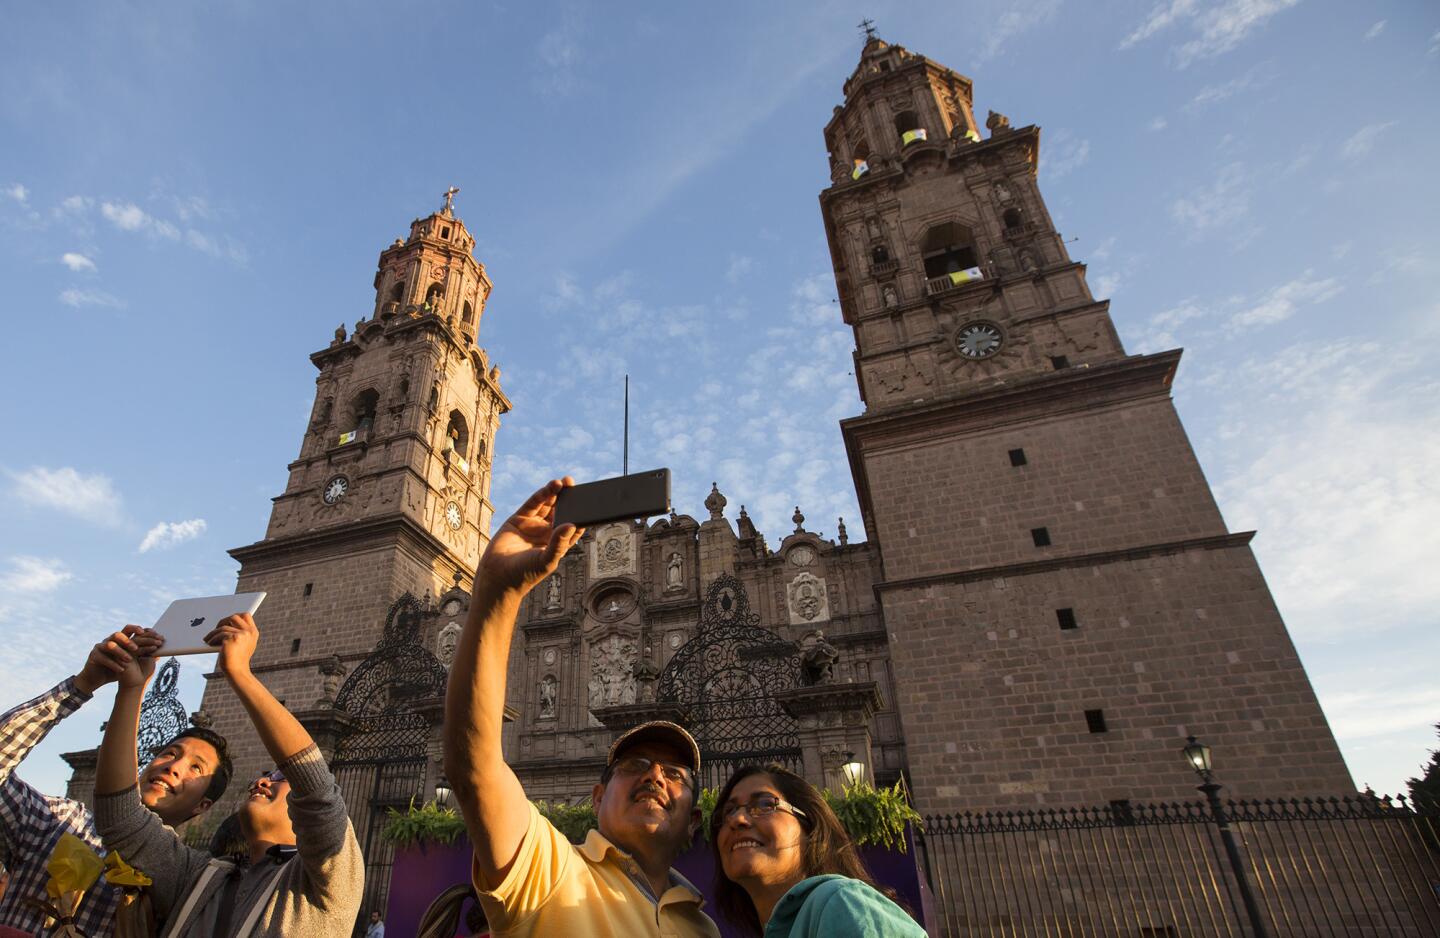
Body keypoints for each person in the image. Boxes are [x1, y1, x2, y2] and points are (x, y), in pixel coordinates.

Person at [443, 478, 720, 937]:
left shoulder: (701, 926)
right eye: (635, 766)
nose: (655, 776)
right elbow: (473, 768)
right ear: (596, 799)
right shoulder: (549, 873)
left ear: (694, 822)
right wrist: (496, 594)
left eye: (674, 775)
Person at [93, 613, 364, 936]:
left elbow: (317, 790)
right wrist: (131, 690)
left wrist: (241, 674)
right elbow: (121, 821)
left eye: (279, 777)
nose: (262, 781)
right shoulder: (195, 877)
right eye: (264, 775)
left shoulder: (329, 884)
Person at [0, 626, 231, 936]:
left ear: (203, 806)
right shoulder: (59, 821)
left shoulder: (186, 880)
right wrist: (83, 685)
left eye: (196, 769)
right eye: (170, 753)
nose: (174, 767)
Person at [710, 764, 924, 937]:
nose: (737, 819)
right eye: (728, 811)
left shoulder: (840, 902)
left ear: (810, 828)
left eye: (765, 804)